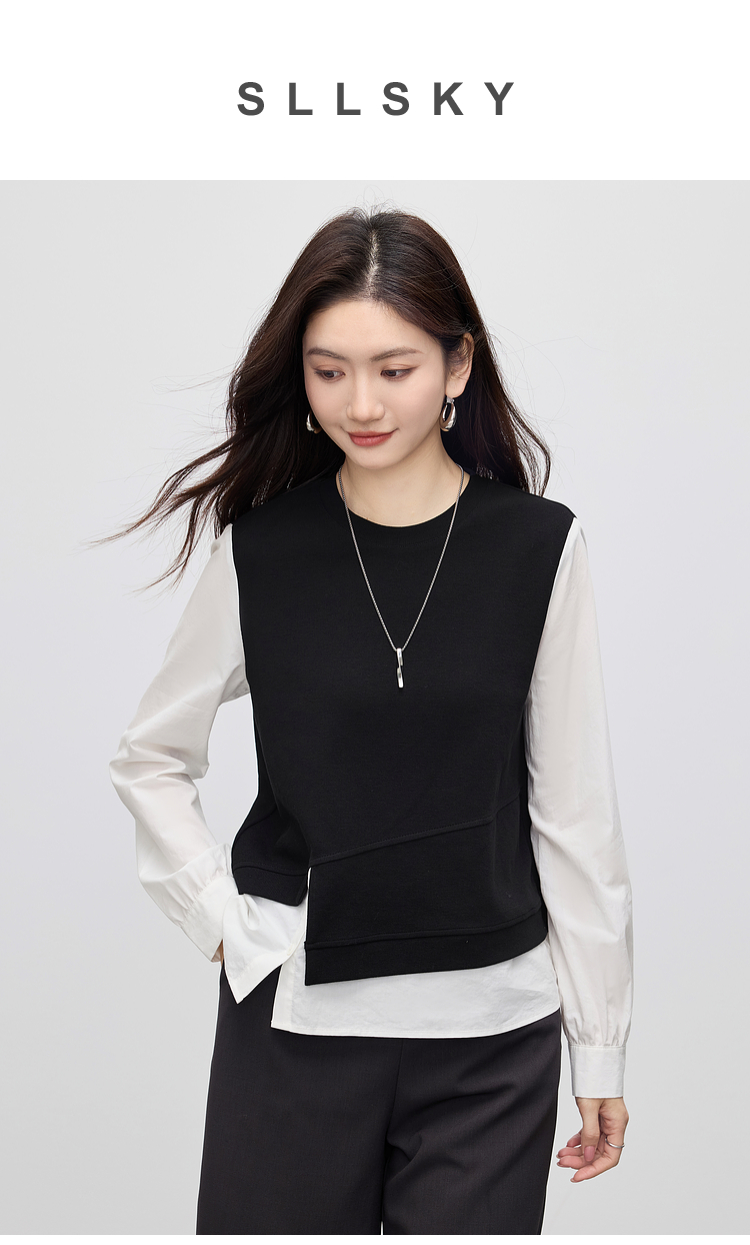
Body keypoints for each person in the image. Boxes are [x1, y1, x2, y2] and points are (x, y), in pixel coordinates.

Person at [109, 206, 633, 1234]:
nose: (361, 403)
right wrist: (224, 925)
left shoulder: (538, 549)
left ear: (457, 365)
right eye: (329, 370)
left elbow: (575, 815)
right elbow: (150, 757)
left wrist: (601, 1046)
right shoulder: (262, 551)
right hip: (294, 1025)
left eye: (394, 369)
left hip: (493, 1044)